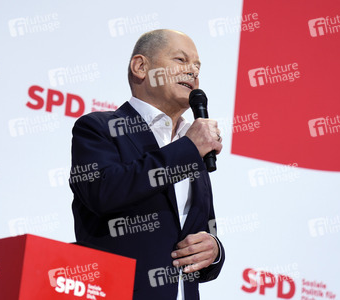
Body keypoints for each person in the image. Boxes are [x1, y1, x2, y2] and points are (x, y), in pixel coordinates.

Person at [69, 29, 224, 300]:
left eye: (197, 67)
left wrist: (214, 252)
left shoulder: (190, 146)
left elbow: (198, 235)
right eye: (180, 60)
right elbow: (103, 193)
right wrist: (187, 148)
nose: (193, 72)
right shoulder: (98, 128)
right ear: (141, 67)